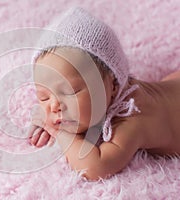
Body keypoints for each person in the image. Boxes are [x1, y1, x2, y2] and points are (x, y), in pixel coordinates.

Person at [28, 7, 180, 180]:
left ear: (113, 84)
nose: (54, 106)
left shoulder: (131, 119)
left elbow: (96, 167)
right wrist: (46, 118)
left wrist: (62, 133)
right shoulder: (108, 94)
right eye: (44, 96)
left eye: (70, 92)